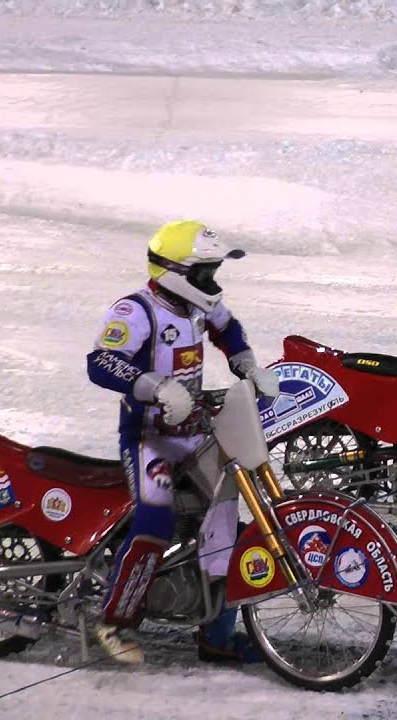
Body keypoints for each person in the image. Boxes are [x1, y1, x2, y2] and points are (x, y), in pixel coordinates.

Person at [85, 220, 281, 664]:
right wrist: (153, 385)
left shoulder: (197, 305)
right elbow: (100, 362)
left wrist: (245, 362)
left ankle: (216, 635)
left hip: (194, 430)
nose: (213, 283)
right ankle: (114, 621)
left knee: (225, 522)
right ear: (175, 272)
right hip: (147, 436)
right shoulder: (136, 312)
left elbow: (228, 327)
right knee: (155, 518)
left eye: (214, 272)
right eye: (205, 273)